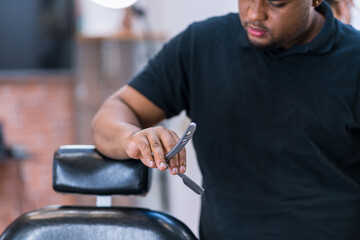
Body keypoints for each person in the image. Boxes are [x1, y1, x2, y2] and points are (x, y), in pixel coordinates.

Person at [92, 0, 360, 239]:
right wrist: (131, 138)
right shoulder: (201, 44)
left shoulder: (354, 60)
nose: (255, 13)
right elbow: (114, 113)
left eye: (276, 3)